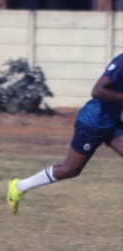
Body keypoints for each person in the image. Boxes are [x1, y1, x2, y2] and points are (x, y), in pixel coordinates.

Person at [7, 53, 123, 213]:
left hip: (113, 123)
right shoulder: (121, 61)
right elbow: (97, 91)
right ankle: (19, 186)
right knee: (71, 169)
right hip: (92, 122)